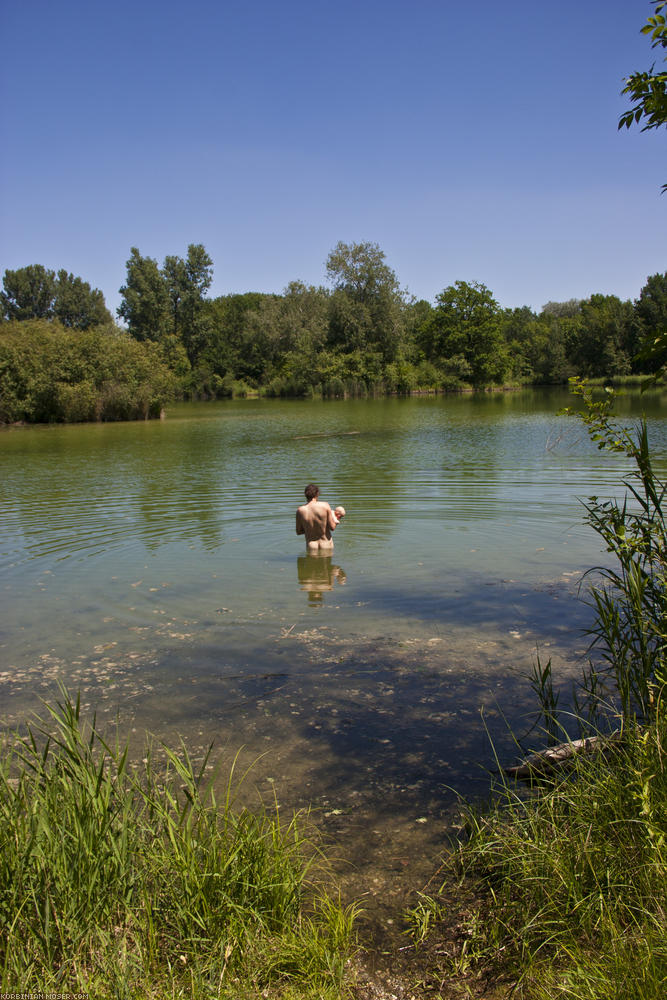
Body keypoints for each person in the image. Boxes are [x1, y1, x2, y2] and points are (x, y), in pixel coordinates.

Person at [296, 484, 343, 551]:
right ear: (317, 494)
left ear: (305, 495)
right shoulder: (325, 505)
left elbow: (298, 532)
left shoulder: (300, 510)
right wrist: (337, 518)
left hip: (311, 547)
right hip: (326, 545)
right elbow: (332, 527)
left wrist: (310, 528)